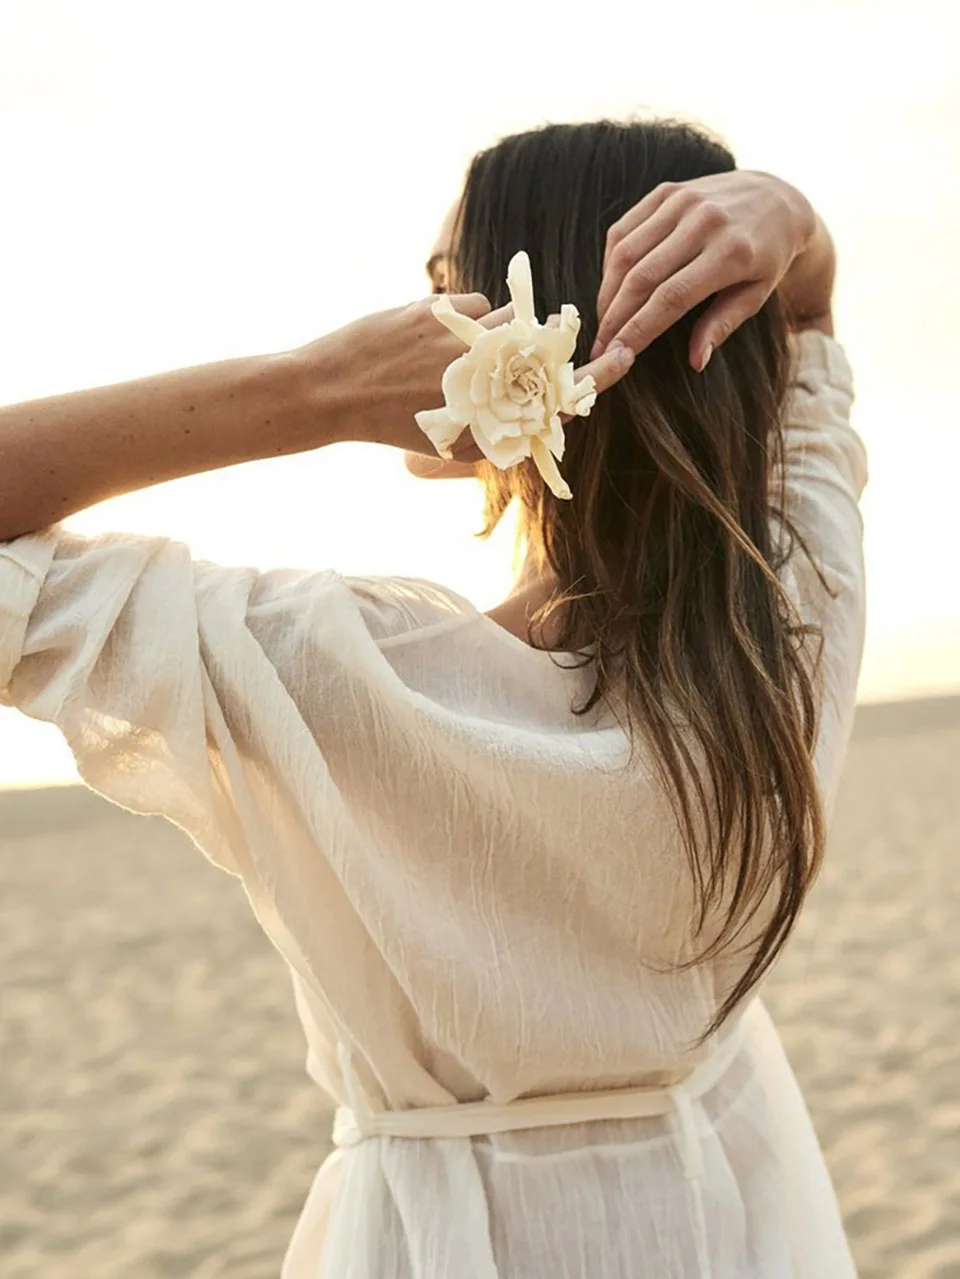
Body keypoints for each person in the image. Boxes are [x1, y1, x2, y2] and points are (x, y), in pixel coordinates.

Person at [0, 118, 866, 1278]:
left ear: (515, 336)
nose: (419, 321)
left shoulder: (325, 668)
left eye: (441, 292)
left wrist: (318, 385)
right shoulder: (791, 617)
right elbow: (807, 332)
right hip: (729, 1212)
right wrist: (791, 222)